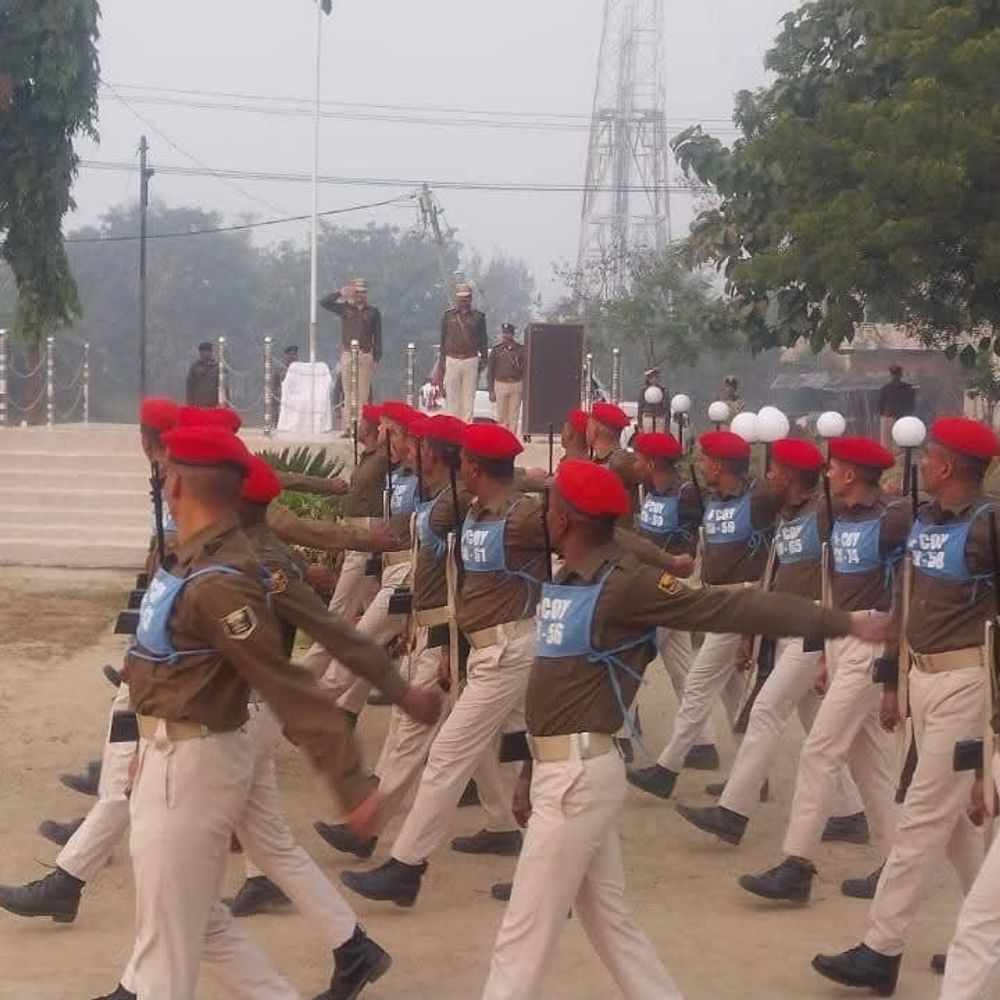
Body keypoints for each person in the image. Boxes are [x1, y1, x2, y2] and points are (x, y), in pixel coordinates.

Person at [479, 459, 890, 1000]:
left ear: (565, 520)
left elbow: (730, 606)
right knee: (612, 926)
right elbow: (554, 687)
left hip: (578, 777)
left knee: (522, 935)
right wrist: (531, 771)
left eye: (550, 508)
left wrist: (842, 622)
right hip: (563, 768)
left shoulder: (625, 585)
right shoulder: (569, 577)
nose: (542, 517)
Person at [119, 423, 389, 999]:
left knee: (170, 945)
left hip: (196, 758)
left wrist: (348, 779)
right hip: (172, 752)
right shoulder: (188, 559)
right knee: (200, 921)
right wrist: (144, 743)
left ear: (177, 485)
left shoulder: (223, 575)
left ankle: (353, 945)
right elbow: (159, 666)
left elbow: (286, 677)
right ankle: (347, 949)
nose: (162, 481)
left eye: (167, 472)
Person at [812, 417, 1000, 997]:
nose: (917, 462)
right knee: (952, 825)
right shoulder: (925, 518)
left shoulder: (989, 524)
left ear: (945, 466)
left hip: (967, 683)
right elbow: (905, 600)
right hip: (922, 678)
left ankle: (881, 948)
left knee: (921, 815)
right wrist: (893, 682)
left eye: (930, 455)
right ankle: (982, 932)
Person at [340, 423, 545, 909]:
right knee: (518, 755)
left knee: (452, 753)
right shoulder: (471, 510)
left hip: (510, 649)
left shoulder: (522, 517)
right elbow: (458, 582)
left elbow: (588, 540)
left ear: (472, 466)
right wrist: (453, 646)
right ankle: (522, 848)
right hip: (479, 648)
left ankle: (406, 866)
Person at [736, 435, 908, 904]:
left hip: (872, 642)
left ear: (850, 475)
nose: (827, 474)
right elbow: (831, 586)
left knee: (820, 750)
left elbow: (904, 593)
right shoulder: (836, 516)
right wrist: (825, 653)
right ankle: (896, 864)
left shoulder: (891, 519)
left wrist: (892, 666)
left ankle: (798, 864)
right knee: (867, 759)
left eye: (834, 468)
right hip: (841, 638)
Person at [676, 437, 866, 844]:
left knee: (765, 710)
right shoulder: (786, 514)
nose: (768, 476)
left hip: (812, 626)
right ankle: (851, 812)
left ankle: (733, 810)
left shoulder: (823, 513)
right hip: (785, 626)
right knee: (813, 720)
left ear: (790, 476)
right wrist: (754, 631)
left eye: (775, 470)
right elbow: (772, 576)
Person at [627, 430, 782, 801]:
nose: (700, 465)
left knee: (697, 684)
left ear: (719, 466)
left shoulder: (757, 498)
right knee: (735, 695)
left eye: (706, 460)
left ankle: (667, 769)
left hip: (740, 603)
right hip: (715, 602)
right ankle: (754, 779)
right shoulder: (715, 498)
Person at [631, 430, 718, 770]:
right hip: (656, 585)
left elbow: (691, 544)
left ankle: (619, 737)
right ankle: (704, 743)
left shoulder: (685, 494)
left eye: (639, 459)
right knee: (682, 668)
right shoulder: (652, 492)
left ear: (652, 463)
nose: (635, 464)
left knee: (628, 656)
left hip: (670, 588)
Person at [321, 278, 382, 428]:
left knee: (363, 394)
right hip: (348, 353)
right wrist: (340, 293)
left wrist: (376, 358)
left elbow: (378, 336)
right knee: (348, 393)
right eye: (357, 291)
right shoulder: (345, 309)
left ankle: (360, 427)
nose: (360, 294)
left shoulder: (373, 312)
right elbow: (324, 303)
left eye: (363, 291)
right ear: (353, 292)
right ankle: (348, 426)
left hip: (365, 354)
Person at [438, 282, 487, 422]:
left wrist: (483, 360)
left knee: (468, 398)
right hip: (452, 359)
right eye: (460, 298)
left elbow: (483, 341)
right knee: (452, 398)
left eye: (466, 298)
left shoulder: (478, 317)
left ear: (470, 298)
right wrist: (441, 368)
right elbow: (443, 342)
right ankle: (453, 428)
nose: (463, 301)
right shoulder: (448, 317)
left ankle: (466, 428)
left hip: (470, 359)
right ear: (456, 299)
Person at [587, 402, 640, 511]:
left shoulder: (621, 464)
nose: (586, 429)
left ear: (596, 428)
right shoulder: (597, 461)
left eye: (588, 424)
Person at [487, 323, 525, 433]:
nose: (505, 335)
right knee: (502, 416)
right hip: (500, 384)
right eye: (504, 333)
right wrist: (491, 390)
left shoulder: (520, 350)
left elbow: (525, 370)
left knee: (514, 416)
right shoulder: (496, 350)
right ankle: (503, 437)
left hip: (516, 384)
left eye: (508, 333)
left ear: (512, 335)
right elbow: (490, 372)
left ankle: (512, 436)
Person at [878, 364, 917, 448]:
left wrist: (907, 417)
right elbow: (881, 405)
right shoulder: (886, 388)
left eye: (896, 373)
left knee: (899, 445)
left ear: (900, 374)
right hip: (888, 418)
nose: (895, 376)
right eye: (893, 374)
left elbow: (911, 405)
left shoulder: (908, 389)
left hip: (901, 419)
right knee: (886, 444)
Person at [185, 342, 219, 406]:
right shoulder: (194, 367)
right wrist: (190, 403)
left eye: (208, 351)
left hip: (214, 404)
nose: (206, 354)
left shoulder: (217, 367)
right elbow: (190, 387)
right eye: (204, 351)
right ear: (200, 353)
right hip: (199, 404)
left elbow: (223, 387)